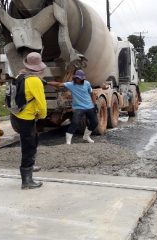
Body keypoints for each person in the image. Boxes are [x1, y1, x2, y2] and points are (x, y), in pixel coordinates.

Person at [10, 52, 47, 189]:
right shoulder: (35, 81)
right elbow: (42, 104)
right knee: (29, 147)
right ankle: (26, 181)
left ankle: (30, 168)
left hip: (17, 115)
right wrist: (41, 116)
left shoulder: (20, 76)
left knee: (30, 143)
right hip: (27, 118)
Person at [48, 69, 98, 144]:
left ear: (82, 78)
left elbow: (92, 93)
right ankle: (68, 142)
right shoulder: (71, 84)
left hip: (89, 106)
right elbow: (59, 84)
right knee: (75, 123)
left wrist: (95, 105)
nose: (77, 79)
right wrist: (46, 82)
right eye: (76, 78)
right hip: (78, 108)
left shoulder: (87, 83)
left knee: (95, 122)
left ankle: (86, 136)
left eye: (79, 78)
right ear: (74, 77)